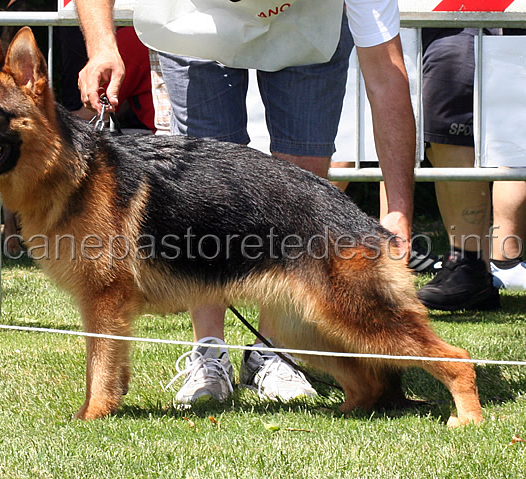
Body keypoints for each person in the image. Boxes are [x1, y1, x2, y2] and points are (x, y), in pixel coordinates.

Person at [75, 0, 416, 406]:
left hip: (310, 26)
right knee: (197, 183)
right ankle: (209, 352)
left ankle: (274, 351)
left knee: (300, 176)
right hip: (192, 18)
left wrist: (398, 207)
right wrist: (102, 45)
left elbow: (386, 79)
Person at [416, 28, 526, 312]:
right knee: (441, 124)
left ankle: (481, 264)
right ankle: (467, 264)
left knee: (508, 140)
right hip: (440, 22)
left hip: (489, 23)